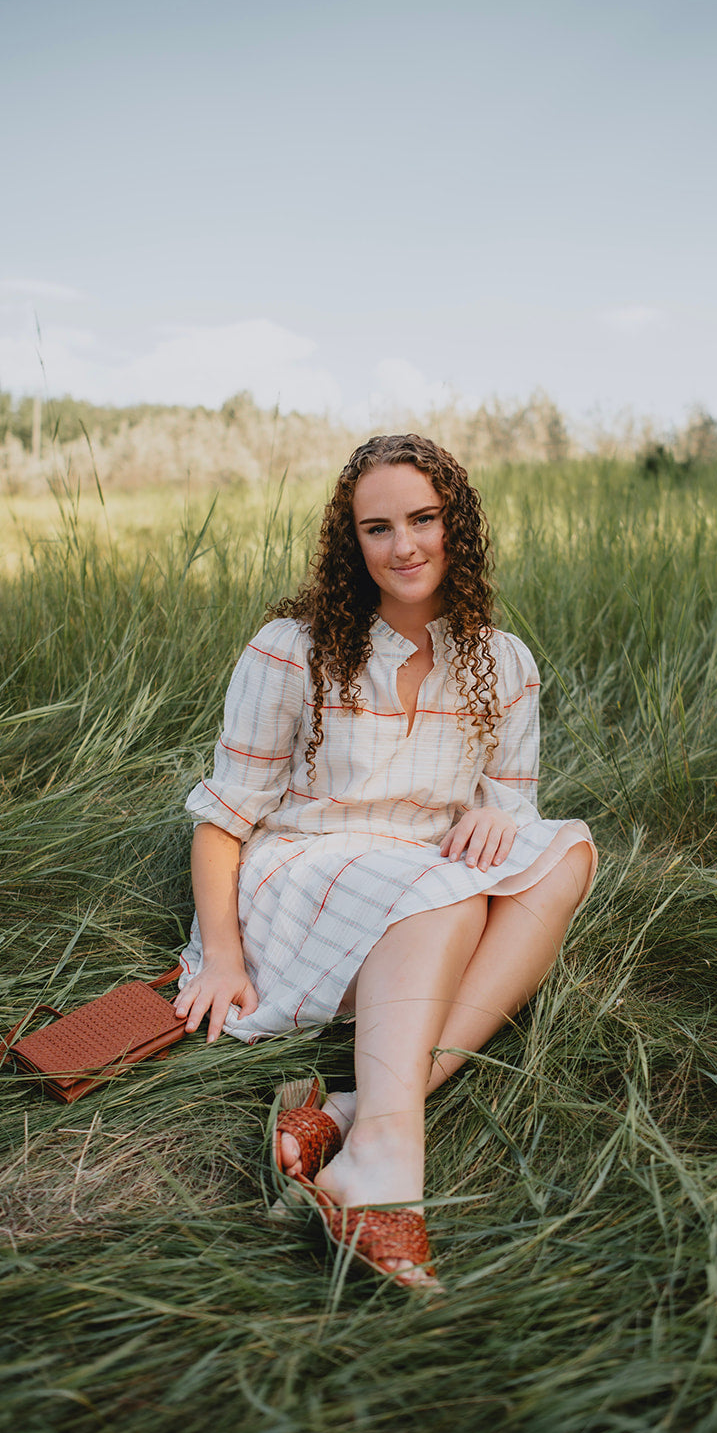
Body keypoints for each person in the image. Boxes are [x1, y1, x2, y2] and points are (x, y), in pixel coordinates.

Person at [174, 434, 596, 1286]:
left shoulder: (504, 662)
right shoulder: (291, 648)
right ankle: (386, 1159)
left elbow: (513, 801)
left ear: (455, 527)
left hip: (422, 886)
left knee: (569, 851)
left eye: (423, 520)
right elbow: (224, 817)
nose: (403, 546)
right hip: (299, 874)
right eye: (377, 528)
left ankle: (350, 1111)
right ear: (351, 542)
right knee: (447, 892)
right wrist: (220, 956)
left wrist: (494, 814)